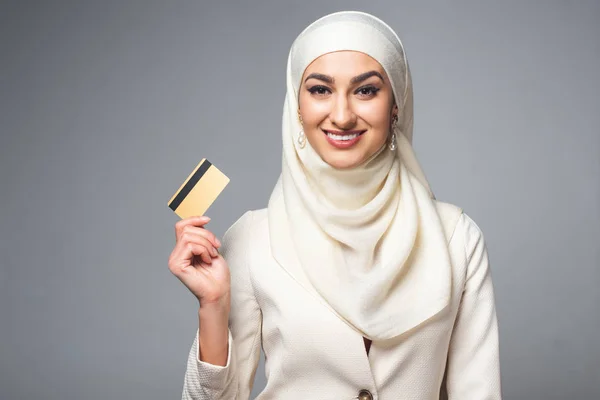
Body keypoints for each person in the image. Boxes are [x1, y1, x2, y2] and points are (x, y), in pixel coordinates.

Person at [169, 10, 502, 400]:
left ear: (396, 105)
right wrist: (212, 307)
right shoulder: (253, 239)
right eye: (320, 90)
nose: (342, 116)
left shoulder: (456, 240)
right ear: (297, 105)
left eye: (365, 90)